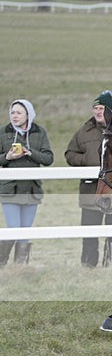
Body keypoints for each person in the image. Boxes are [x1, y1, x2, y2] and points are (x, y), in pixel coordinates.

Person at [65, 90, 112, 267]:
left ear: (111, 111)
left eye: (102, 108)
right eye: (96, 108)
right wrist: (86, 161)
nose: (98, 111)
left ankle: (111, 263)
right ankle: (88, 265)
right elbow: (70, 154)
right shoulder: (84, 131)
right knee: (90, 232)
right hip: (90, 191)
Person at [0, 99, 54, 265]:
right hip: (10, 189)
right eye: (12, 113)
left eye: (19, 113)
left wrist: (30, 153)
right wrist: (7, 157)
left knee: (25, 231)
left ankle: (20, 268)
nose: (14, 116)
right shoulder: (3, 132)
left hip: (32, 190)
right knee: (14, 229)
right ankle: (1, 264)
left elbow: (48, 158)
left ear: (28, 115)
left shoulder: (40, 132)